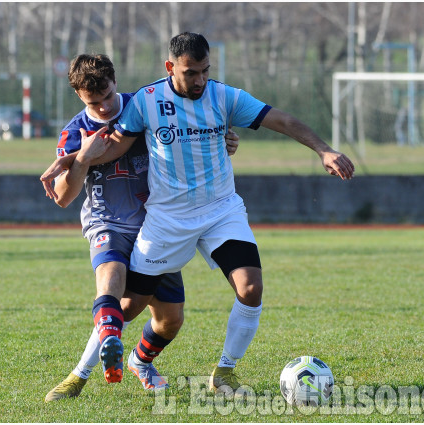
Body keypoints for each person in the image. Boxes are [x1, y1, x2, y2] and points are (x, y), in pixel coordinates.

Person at [45, 33, 355, 396]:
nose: (200, 80)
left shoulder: (223, 96)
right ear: (170, 68)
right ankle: (79, 374)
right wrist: (72, 159)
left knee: (249, 288)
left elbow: (281, 120)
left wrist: (323, 150)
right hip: (161, 219)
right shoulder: (146, 102)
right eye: (191, 73)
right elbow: (113, 148)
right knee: (126, 309)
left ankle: (224, 372)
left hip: (220, 210)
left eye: (205, 71)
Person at [40, 54, 241, 400]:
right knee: (111, 272)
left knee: (170, 320)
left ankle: (140, 360)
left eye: (106, 97)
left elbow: (189, 132)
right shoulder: (74, 133)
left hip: (157, 225)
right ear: (79, 96)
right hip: (108, 222)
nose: (103, 108)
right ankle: (84, 369)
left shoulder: (146, 105)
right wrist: (84, 158)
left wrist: (223, 141)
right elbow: (62, 197)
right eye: (93, 102)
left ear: (115, 81)